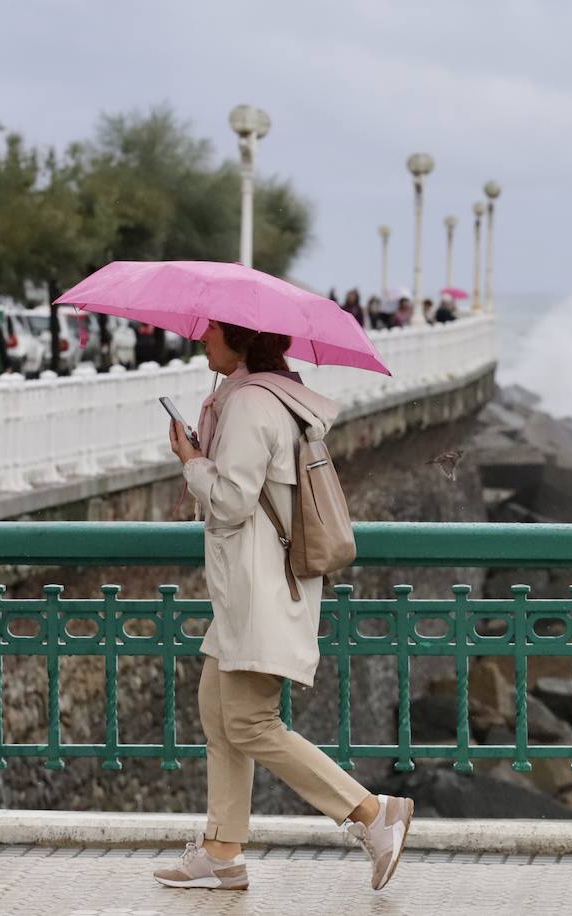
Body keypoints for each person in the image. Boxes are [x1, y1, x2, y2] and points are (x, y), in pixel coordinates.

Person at [155, 320, 414, 893]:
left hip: (258, 590)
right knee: (219, 712)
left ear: (240, 340)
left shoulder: (249, 405)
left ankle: (373, 814)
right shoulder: (276, 398)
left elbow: (230, 500)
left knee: (250, 722)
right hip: (255, 588)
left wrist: (190, 462)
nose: (202, 341)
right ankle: (222, 852)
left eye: (212, 333)